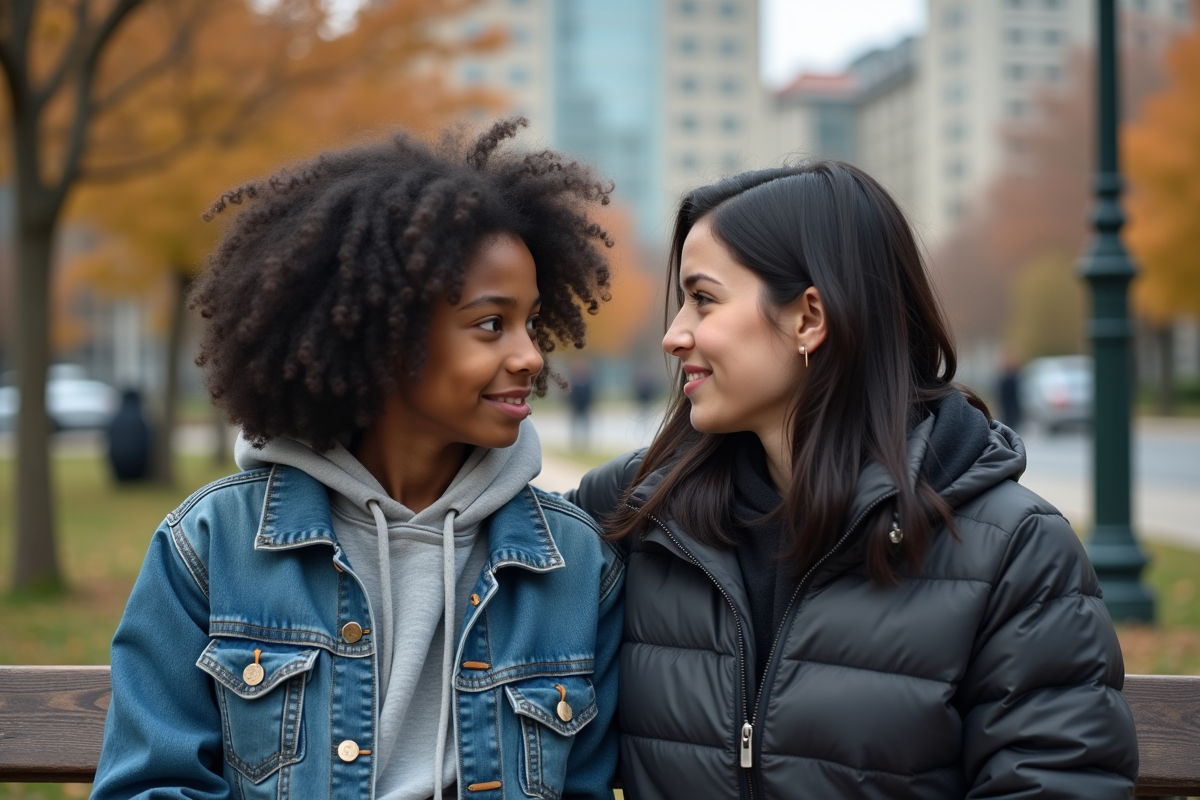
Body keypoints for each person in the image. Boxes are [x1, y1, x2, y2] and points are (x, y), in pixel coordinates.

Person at [568, 161, 1138, 799]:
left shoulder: (1014, 552)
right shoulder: (639, 510)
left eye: (702, 298)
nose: (674, 336)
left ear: (809, 317)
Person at [92, 119, 624, 800]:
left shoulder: (576, 567)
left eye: (530, 322)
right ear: (387, 336)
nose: (529, 356)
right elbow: (150, 788)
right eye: (491, 324)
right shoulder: (209, 548)